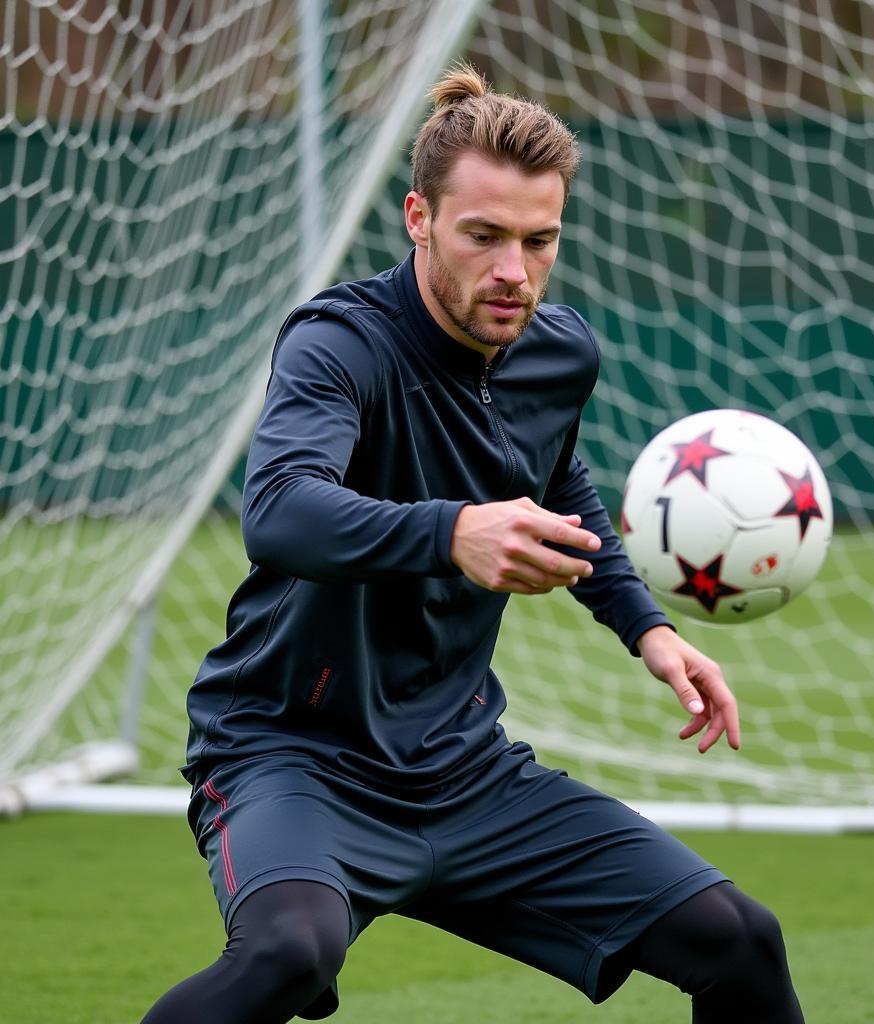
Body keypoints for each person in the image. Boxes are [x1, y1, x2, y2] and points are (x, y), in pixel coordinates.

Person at [141, 64, 804, 1024]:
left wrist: (648, 630)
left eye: (541, 242)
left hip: (461, 767)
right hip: (290, 753)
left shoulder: (560, 350)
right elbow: (281, 511)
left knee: (742, 941)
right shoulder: (339, 344)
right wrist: (453, 532)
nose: (514, 273)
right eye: (484, 237)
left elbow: (558, 485)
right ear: (418, 217)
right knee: (288, 951)